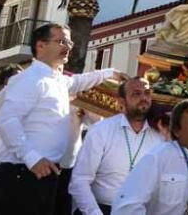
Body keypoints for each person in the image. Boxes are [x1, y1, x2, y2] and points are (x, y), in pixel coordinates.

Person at [0, 23, 121, 215]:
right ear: (40, 46)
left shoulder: (57, 80)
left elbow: (78, 81)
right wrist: (32, 158)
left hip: (44, 175)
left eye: (69, 42)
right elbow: (7, 121)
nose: (67, 47)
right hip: (23, 175)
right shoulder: (29, 79)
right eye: (61, 41)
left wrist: (110, 74)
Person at [69, 77, 163, 215]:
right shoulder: (101, 130)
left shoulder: (160, 137)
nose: (144, 97)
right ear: (122, 101)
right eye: (136, 93)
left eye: (147, 92)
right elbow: (79, 181)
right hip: (101, 209)